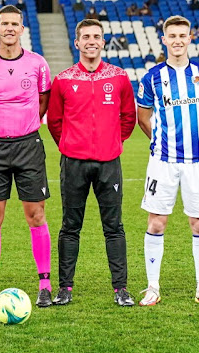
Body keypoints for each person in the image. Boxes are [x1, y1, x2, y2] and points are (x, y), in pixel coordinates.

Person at [0, 5, 53, 308]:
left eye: (14, 24)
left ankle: (45, 284)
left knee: (36, 215)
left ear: (21, 29)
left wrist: (24, 126)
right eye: (4, 23)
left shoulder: (38, 64)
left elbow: (43, 100)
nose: (9, 28)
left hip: (29, 146)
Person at [47, 19, 136, 307]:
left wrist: (112, 143)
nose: (91, 41)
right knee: (70, 226)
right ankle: (65, 288)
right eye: (86, 37)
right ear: (77, 43)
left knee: (114, 227)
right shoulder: (62, 79)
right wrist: (70, 145)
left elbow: (128, 118)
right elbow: (55, 122)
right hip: (73, 163)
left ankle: (120, 288)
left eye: (96, 36)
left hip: (109, 163)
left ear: (103, 41)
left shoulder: (119, 77)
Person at [136, 15, 199, 307]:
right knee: (157, 222)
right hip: (162, 161)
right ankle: (152, 287)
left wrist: (197, 139)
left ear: (190, 38)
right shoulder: (151, 78)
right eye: (172, 36)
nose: (177, 41)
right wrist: (161, 141)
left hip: (197, 162)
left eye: (182, 35)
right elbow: (143, 118)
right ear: (164, 39)